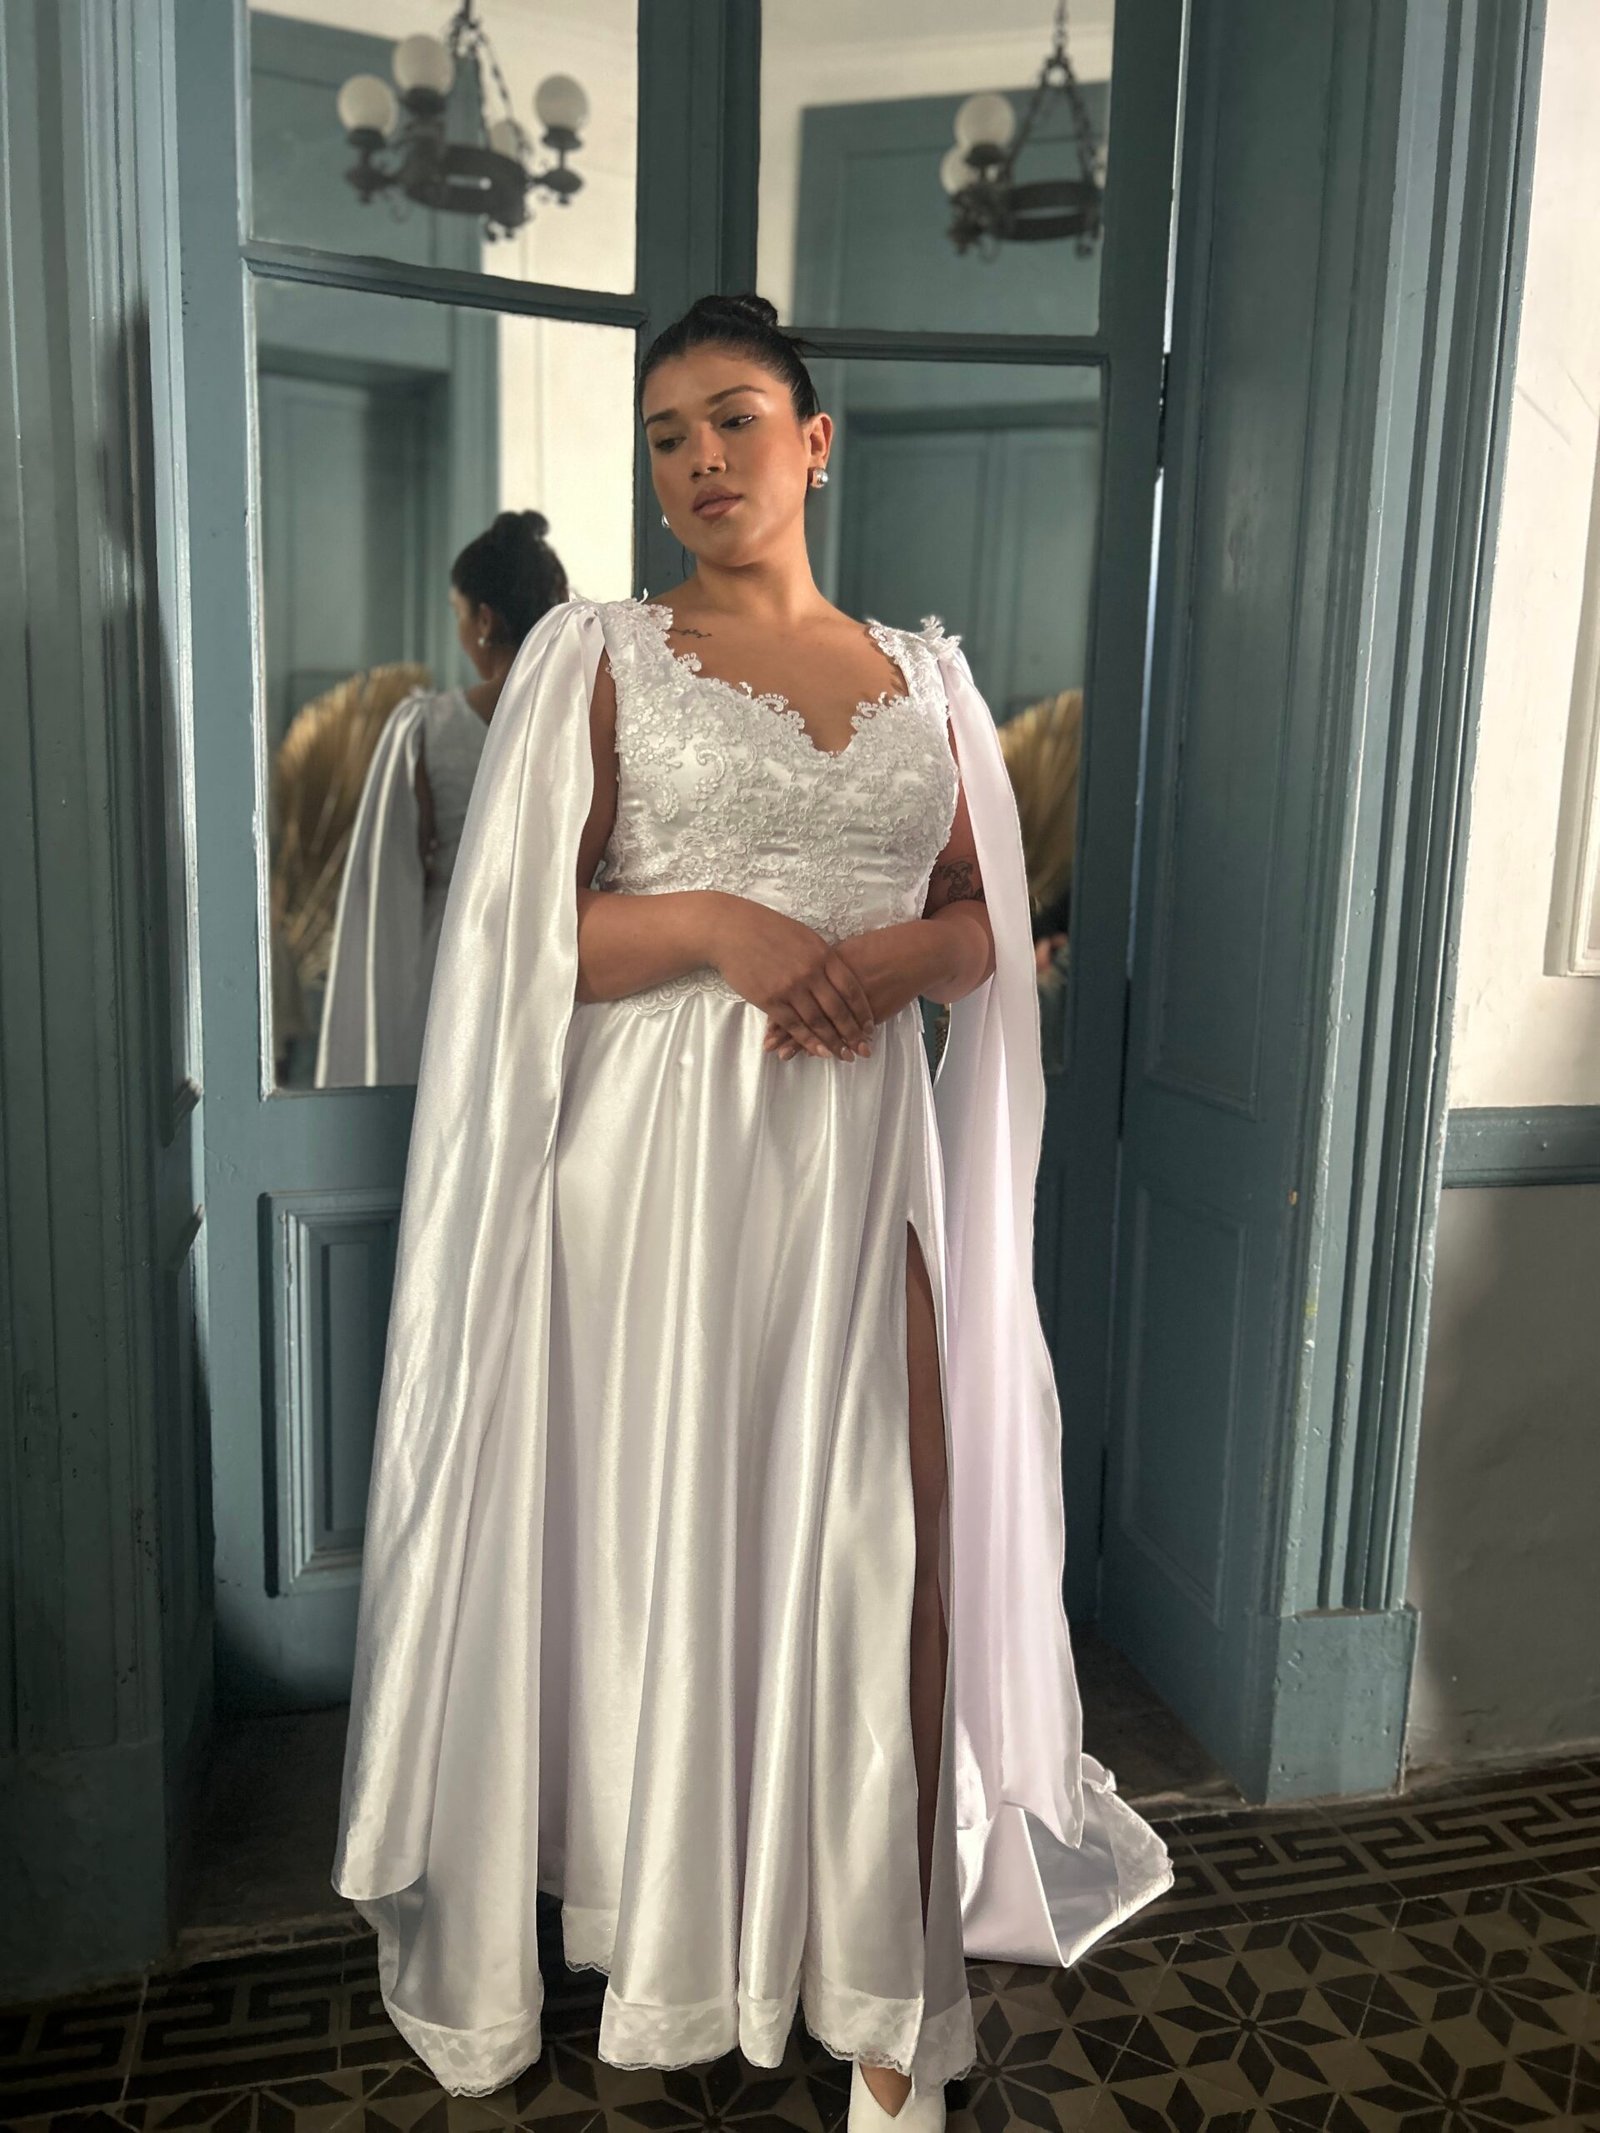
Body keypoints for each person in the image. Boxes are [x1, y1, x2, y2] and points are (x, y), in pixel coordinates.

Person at [330, 294, 1174, 2127]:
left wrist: (887, 963)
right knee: (672, 1550)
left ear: (815, 441)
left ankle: (887, 1990)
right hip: (648, 1177)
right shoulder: (600, 656)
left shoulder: (928, 680)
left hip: (860, 1160)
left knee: (891, 1536)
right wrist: (724, 927)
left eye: (732, 419)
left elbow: (978, 917)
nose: (699, 459)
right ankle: (682, 1932)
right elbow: (519, 939)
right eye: (666, 435)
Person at [313, 509, 570, 1086]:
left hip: (452, 962)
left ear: (483, 619)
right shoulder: (586, 721)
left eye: (458, 614)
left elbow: (392, 878)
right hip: (561, 958)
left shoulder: (428, 728)